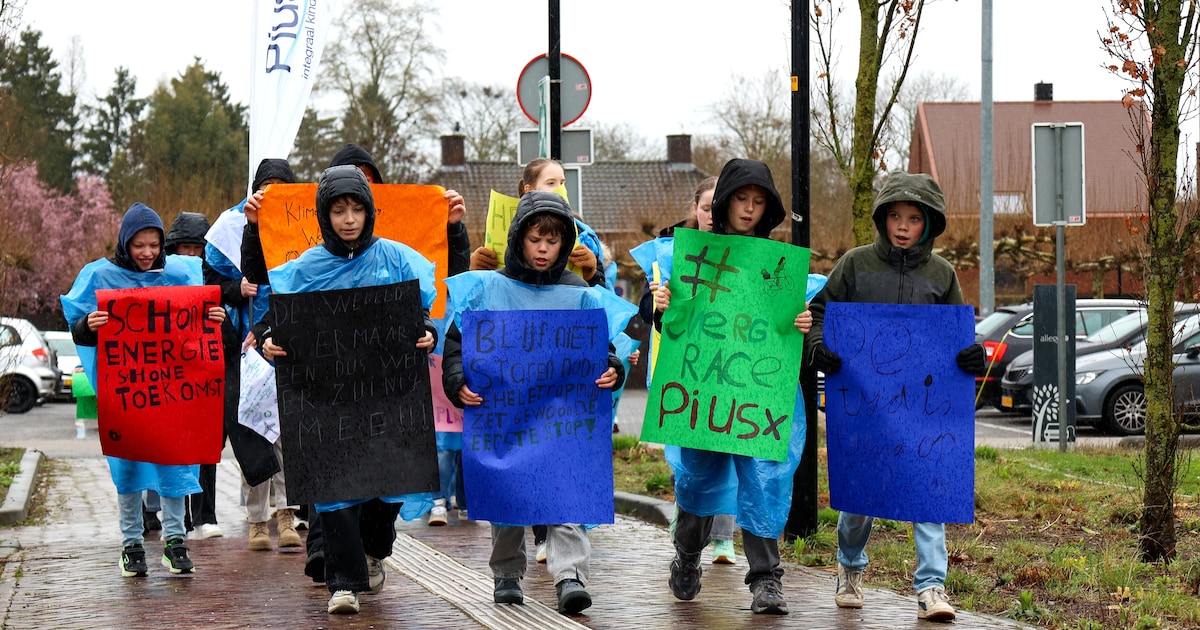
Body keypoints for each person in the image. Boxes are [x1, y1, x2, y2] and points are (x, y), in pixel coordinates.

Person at [805, 171, 987, 622]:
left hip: (923, 409)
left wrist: (972, 354)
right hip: (865, 405)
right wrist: (819, 348)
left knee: (928, 494)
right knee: (859, 500)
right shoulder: (855, 264)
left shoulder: (942, 274)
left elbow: (959, 334)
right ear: (882, 219)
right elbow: (821, 310)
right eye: (894, 216)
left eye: (913, 218)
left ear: (929, 223)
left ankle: (931, 587)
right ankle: (849, 568)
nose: (903, 226)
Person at [259, 165, 439, 615]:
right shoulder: (303, 269)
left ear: (369, 212)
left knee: (388, 488)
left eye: (357, 208)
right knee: (335, 490)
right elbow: (273, 318)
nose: (348, 218)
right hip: (328, 403)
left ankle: (376, 547)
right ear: (324, 215)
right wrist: (267, 340)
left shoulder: (399, 259)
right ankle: (344, 583)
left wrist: (429, 333)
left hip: (388, 399)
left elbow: (427, 314)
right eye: (338, 210)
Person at [442, 190, 628, 615]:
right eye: (534, 239)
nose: (543, 249)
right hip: (505, 413)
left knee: (564, 489)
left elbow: (602, 348)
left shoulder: (579, 292)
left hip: (560, 418)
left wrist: (612, 368)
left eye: (553, 240)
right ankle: (507, 574)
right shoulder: (490, 289)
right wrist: (457, 380)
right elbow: (457, 343)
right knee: (507, 490)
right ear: (518, 239)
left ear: (565, 244)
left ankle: (570, 575)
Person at [653, 159, 818, 615]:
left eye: (758, 201)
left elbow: (788, 338)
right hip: (706, 392)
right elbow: (674, 330)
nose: (749, 209)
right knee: (699, 482)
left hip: (759, 396)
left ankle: (766, 580)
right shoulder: (691, 257)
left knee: (764, 479)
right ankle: (687, 555)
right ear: (725, 202)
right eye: (742, 200)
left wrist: (801, 323)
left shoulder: (781, 268)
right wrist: (662, 307)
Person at [61, 202, 227, 577]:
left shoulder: (180, 275)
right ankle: (131, 544)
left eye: (155, 244)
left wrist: (213, 317)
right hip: (126, 393)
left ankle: (175, 541)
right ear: (125, 243)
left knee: (174, 464)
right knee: (129, 466)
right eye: (139, 245)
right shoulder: (100, 277)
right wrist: (91, 324)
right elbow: (77, 327)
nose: (148, 253)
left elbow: (198, 324)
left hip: (171, 395)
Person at [636, 175, 738, 565]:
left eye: (719, 208)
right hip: (679, 371)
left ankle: (724, 538)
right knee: (687, 457)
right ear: (695, 209)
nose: (712, 215)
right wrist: (657, 302)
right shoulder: (668, 253)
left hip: (730, 371)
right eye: (706, 207)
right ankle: (688, 521)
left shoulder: (747, 253)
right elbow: (646, 312)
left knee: (727, 448)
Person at [208, 159, 303, 552]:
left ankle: (287, 514)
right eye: (267, 185)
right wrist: (237, 289)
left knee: (287, 433)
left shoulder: (302, 221)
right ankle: (256, 519)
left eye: (282, 186)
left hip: (287, 340)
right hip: (244, 347)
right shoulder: (229, 226)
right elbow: (210, 282)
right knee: (251, 432)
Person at [164, 211, 225, 540]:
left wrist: (220, 319)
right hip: (173, 376)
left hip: (205, 377)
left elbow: (227, 335)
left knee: (205, 449)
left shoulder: (218, 282)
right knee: (175, 448)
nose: (190, 255)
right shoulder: (160, 281)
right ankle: (178, 519)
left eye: (196, 248)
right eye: (184, 248)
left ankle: (205, 516)